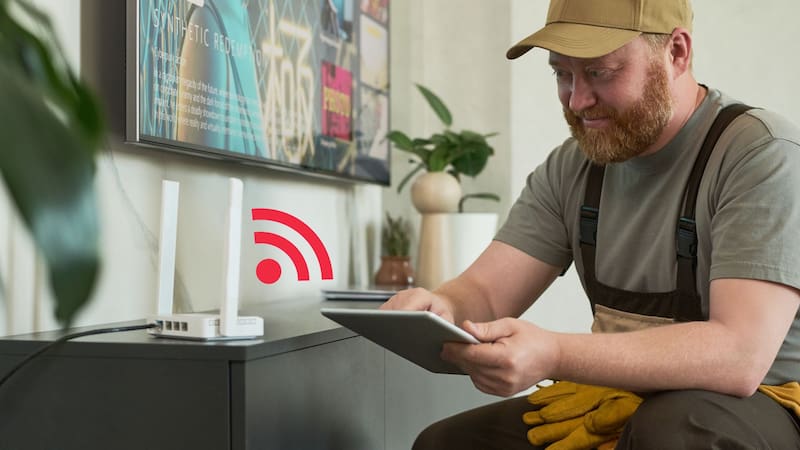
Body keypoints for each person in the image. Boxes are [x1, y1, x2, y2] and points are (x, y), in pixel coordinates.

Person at [381, 0, 800, 448]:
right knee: (446, 444)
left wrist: (555, 354)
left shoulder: (760, 155)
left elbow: (738, 355)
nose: (578, 100)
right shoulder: (573, 168)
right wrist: (442, 307)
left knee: (674, 434)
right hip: (619, 397)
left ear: (677, 52)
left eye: (600, 72)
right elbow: (484, 293)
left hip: (763, 402)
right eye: (562, 74)